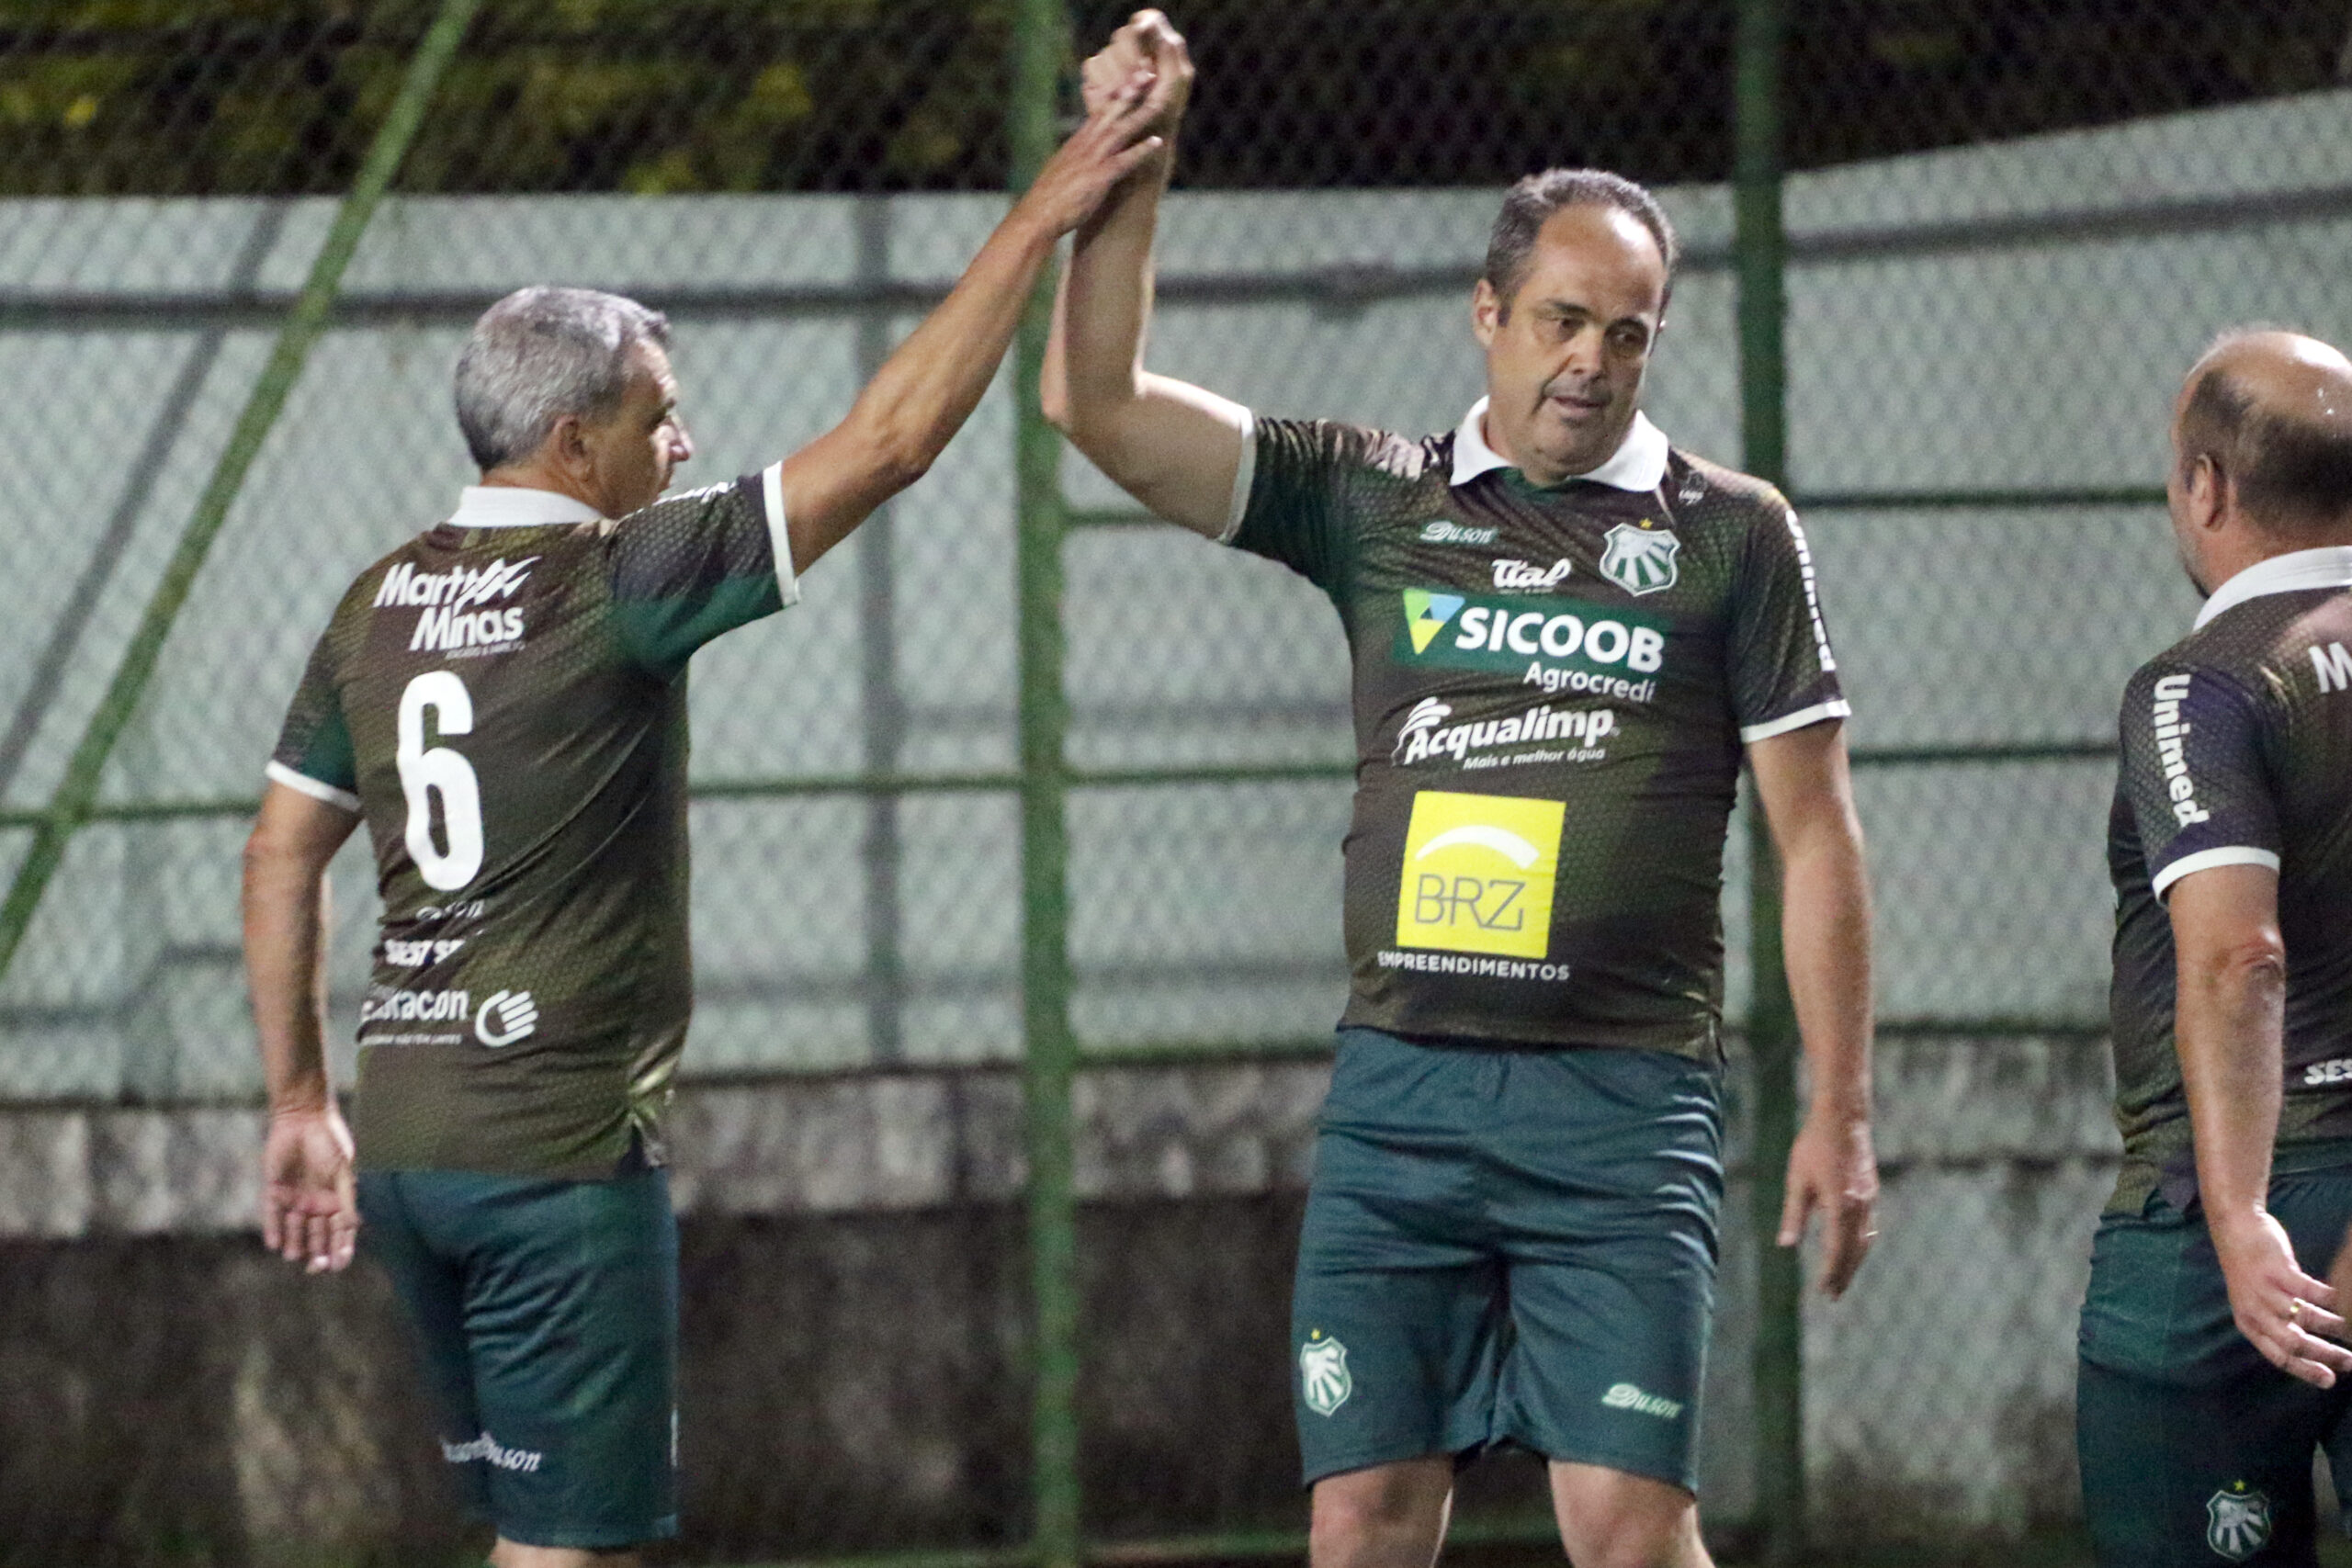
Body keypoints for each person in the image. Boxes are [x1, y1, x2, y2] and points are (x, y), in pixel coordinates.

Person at [240, 78, 1169, 1568]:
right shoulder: (618, 583)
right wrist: (1045, 215)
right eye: (658, 419)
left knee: (526, 1534)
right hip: (556, 1159)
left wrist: (297, 1103)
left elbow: (282, 849)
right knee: (573, 1553)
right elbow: (890, 440)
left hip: (410, 1142)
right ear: (570, 440)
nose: (683, 447)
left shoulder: (376, 602)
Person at [1044, 14, 1878, 1567]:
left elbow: (1814, 830)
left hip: (1624, 1102)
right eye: (1564, 320)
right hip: (1405, 1096)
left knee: (1628, 1528)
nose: (1593, 361)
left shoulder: (1733, 535)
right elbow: (1097, 403)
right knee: (1361, 1519)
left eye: (1630, 333)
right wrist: (1133, 167)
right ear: (1486, 313)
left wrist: (1842, 1107)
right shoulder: (1372, 498)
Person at [2076, 329, 2352, 1567]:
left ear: (2207, 487)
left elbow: (2240, 954)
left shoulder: (2203, 688)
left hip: (2236, 1218)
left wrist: (2241, 1216)